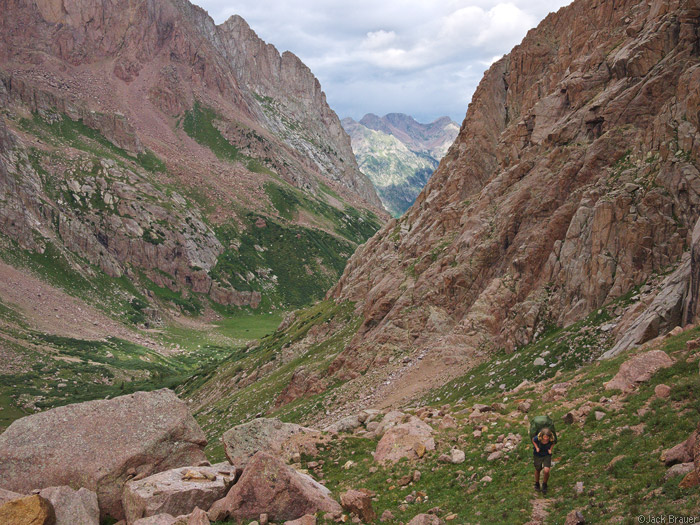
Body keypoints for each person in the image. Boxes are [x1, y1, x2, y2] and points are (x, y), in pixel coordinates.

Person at [532, 428, 554, 494]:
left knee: (546, 470)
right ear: (542, 436)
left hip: (547, 455)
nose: (546, 438)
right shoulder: (538, 438)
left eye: (547, 437)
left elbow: (553, 443)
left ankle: (544, 484)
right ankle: (537, 483)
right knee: (538, 469)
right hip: (538, 454)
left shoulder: (551, 438)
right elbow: (533, 440)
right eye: (545, 437)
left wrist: (550, 449)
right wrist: (536, 448)